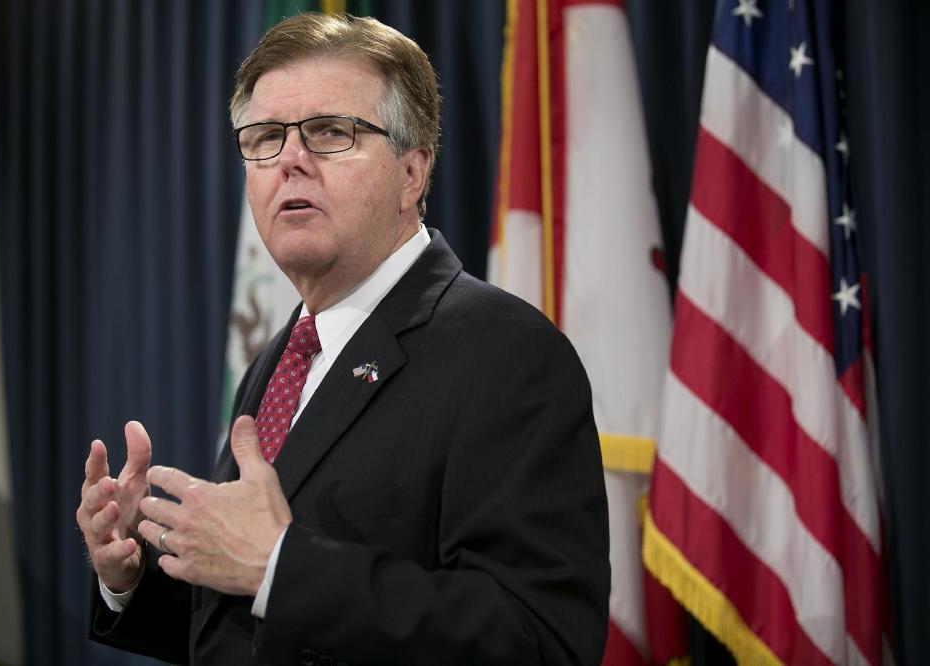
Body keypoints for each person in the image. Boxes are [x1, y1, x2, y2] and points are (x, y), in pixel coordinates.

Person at [76, 13, 609, 666]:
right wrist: (129, 578)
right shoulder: (279, 359)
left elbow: (539, 641)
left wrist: (281, 565)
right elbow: (241, 623)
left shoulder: (508, 354)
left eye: (330, 133)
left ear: (412, 173)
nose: (290, 160)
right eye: (265, 137)